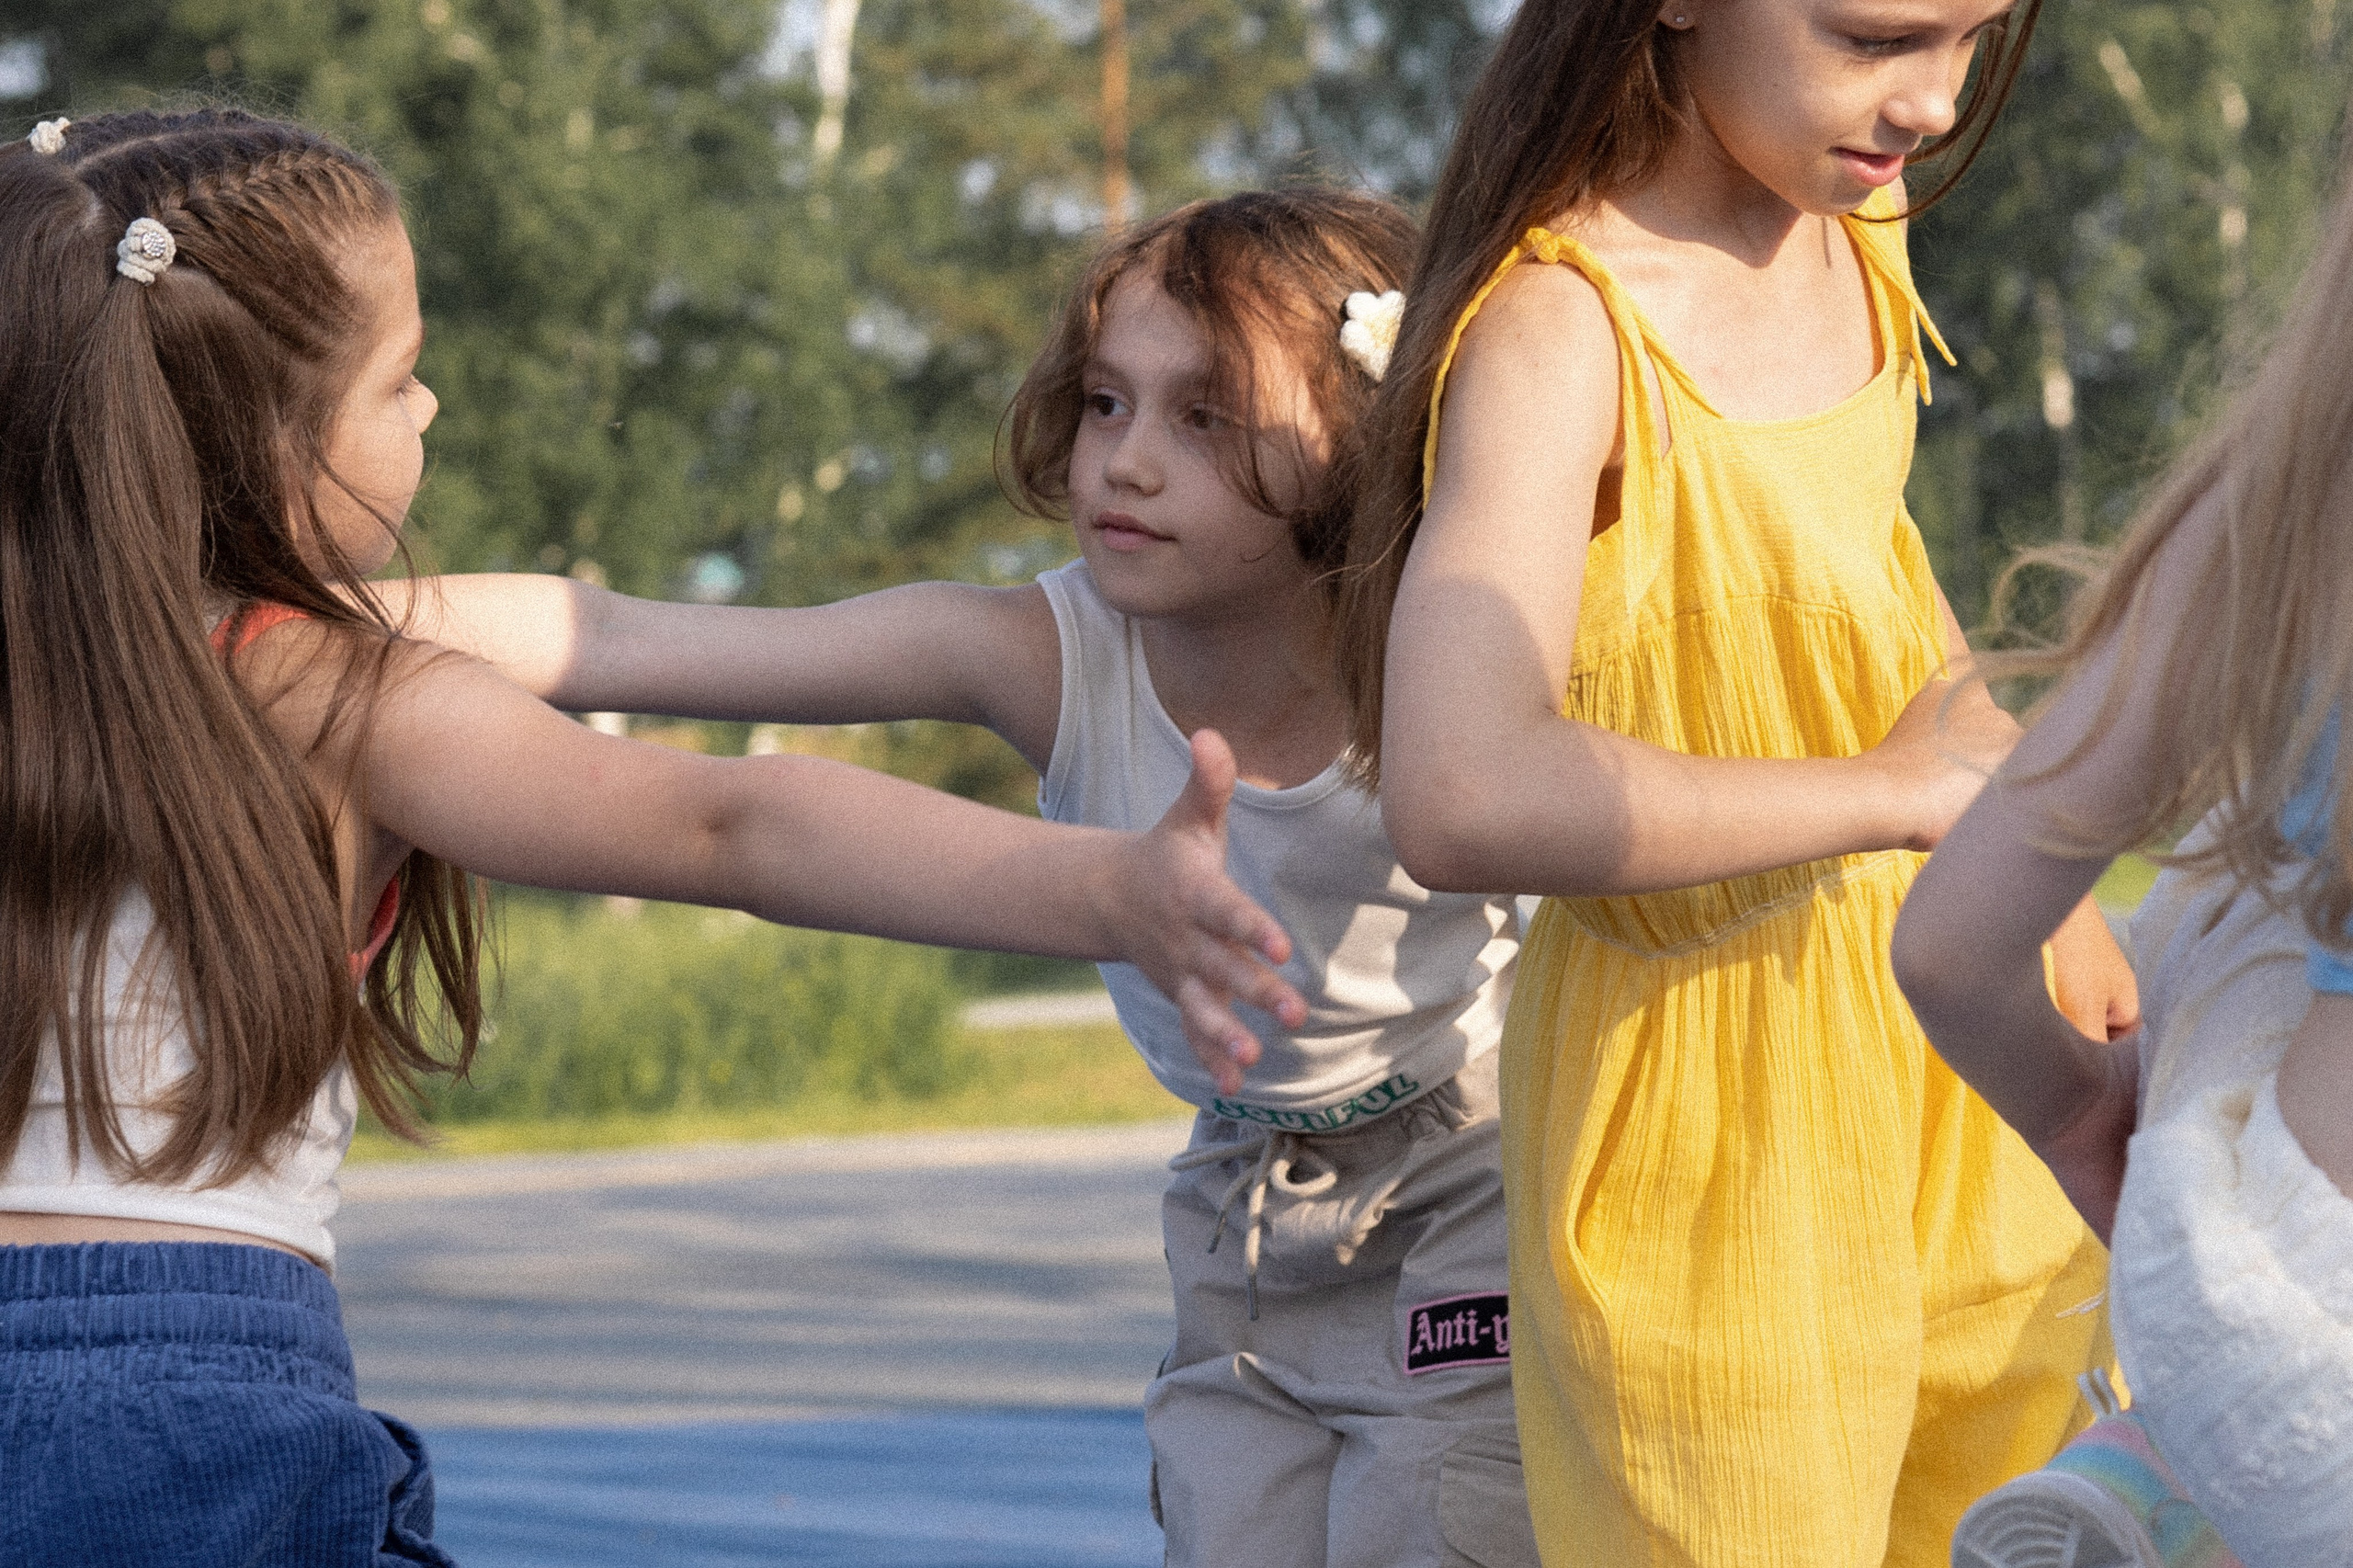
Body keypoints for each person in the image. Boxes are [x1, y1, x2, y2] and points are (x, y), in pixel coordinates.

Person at [0, 108, 1308, 1566]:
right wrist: (1109, 886)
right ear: (271, 440)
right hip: (196, 1406)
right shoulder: (337, 694)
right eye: (400, 377)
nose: (430, 406)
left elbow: (608, 656)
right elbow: (731, 820)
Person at [390, 187, 1540, 1568]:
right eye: (1105, 403)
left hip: (1468, 1180)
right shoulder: (1045, 654)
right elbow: (622, 637)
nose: (1126, 461)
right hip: (1243, 1195)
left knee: (1430, 1526)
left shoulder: (1446, 646)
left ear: (1362, 434)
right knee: (1231, 1527)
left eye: (1205, 418)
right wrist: (294, 617)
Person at [1328, 1, 2142, 1562]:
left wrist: (2048, 886)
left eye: (1972, 38)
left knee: (2005, 1524)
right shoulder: (1561, 331)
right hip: (1706, 1126)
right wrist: (1890, 797)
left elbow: (1872, 576)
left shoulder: (1858, 221)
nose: (1933, 102)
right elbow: (1461, 787)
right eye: (1877, 38)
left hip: (1950, 1048)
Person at [1895, 158, 2353, 1568]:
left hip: (2292, 1281)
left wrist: (2081, 1111)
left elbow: (1950, 947)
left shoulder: (2277, 512)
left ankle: (2175, 1471)